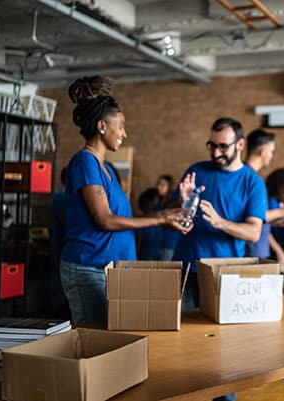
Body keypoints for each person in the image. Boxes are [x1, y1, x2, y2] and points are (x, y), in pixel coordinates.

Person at [60, 76, 191, 326]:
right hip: (89, 267)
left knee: (112, 342)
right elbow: (105, 221)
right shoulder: (84, 162)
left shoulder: (106, 168)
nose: (124, 133)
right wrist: (160, 218)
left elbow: (127, 218)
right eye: (120, 126)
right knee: (96, 344)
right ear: (101, 127)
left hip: (111, 270)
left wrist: (172, 212)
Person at [172, 117, 267, 401]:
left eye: (223, 147)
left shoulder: (252, 182)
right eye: (211, 146)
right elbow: (184, 221)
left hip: (222, 279)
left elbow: (253, 232)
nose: (215, 153)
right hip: (186, 272)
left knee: (223, 355)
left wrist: (220, 222)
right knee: (179, 349)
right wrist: (184, 203)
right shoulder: (196, 171)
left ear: (240, 144)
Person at [244, 128, 284, 258]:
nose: (271, 156)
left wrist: (275, 222)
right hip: (250, 253)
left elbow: (253, 218)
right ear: (262, 152)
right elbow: (244, 215)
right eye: (271, 151)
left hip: (259, 252)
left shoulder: (252, 177)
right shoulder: (246, 178)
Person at [48, 166, 69, 317]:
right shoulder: (61, 196)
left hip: (63, 242)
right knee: (58, 275)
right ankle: (57, 309)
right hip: (60, 242)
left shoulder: (65, 196)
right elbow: (64, 219)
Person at [136, 187, 162, 260]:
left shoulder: (140, 221)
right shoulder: (159, 220)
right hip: (156, 254)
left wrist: (137, 253)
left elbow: (139, 241)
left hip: (144, 254)